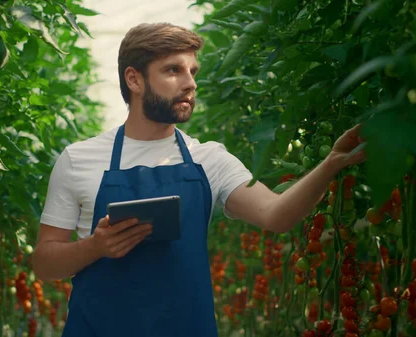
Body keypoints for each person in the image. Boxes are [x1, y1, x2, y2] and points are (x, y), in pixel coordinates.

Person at [32, 22, 365, 337]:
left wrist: (332, 163)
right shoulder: (79, 159)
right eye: (173, 70)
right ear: (134, 80)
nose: (190, 83)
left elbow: (276, 215)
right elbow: (45, 263)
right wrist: (95, 246)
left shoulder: (209, 158)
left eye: (193, 72)